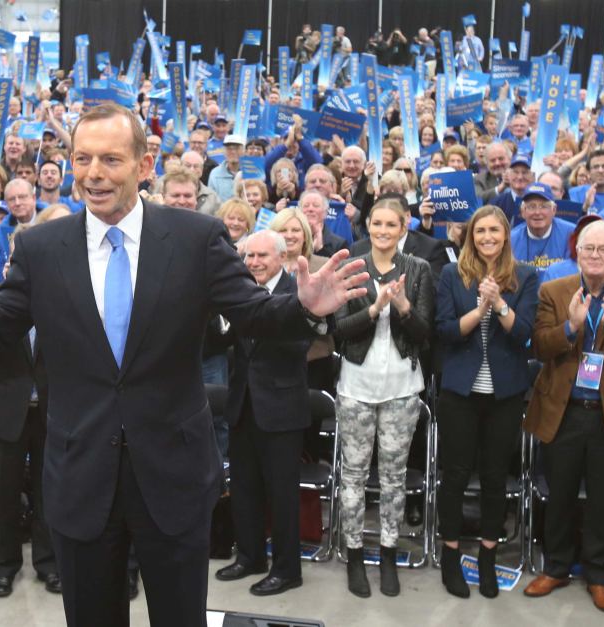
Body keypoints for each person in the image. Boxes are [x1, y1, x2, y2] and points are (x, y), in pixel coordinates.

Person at [0, 103, 368, 627]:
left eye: (111, 159)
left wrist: (303, 307)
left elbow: (251, 315)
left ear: (144, 165)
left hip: (174, 477)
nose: (94, 173)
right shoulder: (42, 248)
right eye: (83, 158)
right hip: (80, 474)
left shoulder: (194, 238)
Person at [434, 205, 539, 599]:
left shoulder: (525, 276)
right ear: (470, 235)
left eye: (494, 230)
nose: (487, 237)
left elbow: (523, 335)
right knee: (456, 475)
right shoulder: (451, 275)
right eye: (480, 231)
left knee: (495, 478)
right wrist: (479, 310)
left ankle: (488, 558)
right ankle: (450, 555)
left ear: (506, 234)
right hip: (460, 392)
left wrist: (499, 305)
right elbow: (445, 331)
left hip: (505, 395)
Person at [332, 198, 434, 599]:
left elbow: (425, 333)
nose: (383, 230)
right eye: (377, 223)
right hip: (356, 386)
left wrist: (405, 308)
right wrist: (375, 309)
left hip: (402, 389)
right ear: (368, 226)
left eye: (392, 224)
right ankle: (354, 555)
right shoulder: (351, 268)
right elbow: (339, 330)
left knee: (393, 478)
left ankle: (389, 554)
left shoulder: (419, 269)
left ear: (403, 226)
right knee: (353, 476)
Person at [522, 220, 604, 614]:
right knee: (558, 493)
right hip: (562, 410)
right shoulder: (554, 291)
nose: (594, 256)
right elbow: (540, 348)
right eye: (588, 249)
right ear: (576, 253)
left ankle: (599, 575)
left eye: (603, 250)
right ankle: (557, 567)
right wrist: (572, 325)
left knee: (601, 499)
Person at [217, 230, 311, 596]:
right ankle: (250, 556)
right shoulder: (240, 295)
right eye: (248, 257)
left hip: (282, 408)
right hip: (243, 404)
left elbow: (300, 341)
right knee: (244, 488)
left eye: (261, 256)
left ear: (281, 257)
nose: (254, 262)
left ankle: (287, 569)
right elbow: (222, 339)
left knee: (282, 493)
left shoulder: (296, 291)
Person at [0, 228, 60, 599]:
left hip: (52, 411)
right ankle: (3, 566)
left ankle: (50, 564)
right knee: (3, 493)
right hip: (5, 410)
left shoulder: (63, 301)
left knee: (51, 492)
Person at [509, 183, 574, 271]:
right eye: (531, 206)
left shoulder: (571, 234)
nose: (537, 212)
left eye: (544, 206)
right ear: (523, 212)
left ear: (554, 210)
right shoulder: (511, 240)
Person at [569, 149, 604, 213]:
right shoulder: (574, 193)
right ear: (589, 172)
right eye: (595, 167)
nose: (600, 170)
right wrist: (585, 206)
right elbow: (570, 221)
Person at [208, 134, 244, 202]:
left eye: (236, 148)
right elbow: (211, 201)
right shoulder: (215, 174)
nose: (233, 151)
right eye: (229, 148)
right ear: (224, 151)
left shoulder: (250, 171)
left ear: (243, 150)